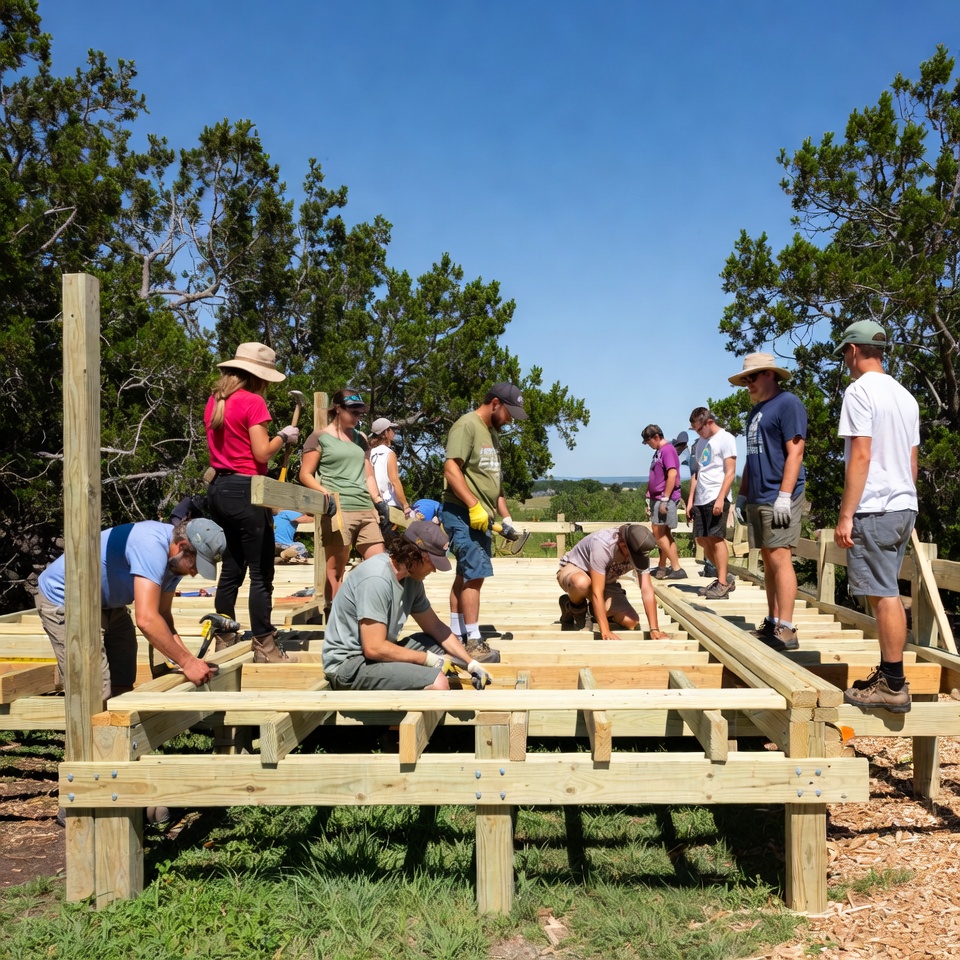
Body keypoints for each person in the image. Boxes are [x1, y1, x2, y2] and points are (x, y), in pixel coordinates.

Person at [35, 517, 226, 703]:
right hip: (66, 599)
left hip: (105, 602)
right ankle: (87, 731)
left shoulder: (175, 562)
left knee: (123, 675)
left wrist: (189, 661)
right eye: (196, 564)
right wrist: (187, 663)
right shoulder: (151, 546)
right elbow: (146, 620)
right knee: (92, 689)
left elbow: (163, 617)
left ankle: (118, 731)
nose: (195, 572)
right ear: (182, 546)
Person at [834, 320, 919, 714]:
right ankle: (891, 675)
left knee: (883, 595)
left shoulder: (859, 391)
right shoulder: (905, 396)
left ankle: (893, 684)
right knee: (888, 590)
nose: (846, 362)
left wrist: (846, 513)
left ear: (854, 350)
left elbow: (862, 455)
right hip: (903, 504)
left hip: (874, 506)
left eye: (845, 355)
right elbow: (911, 461)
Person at [204, 342, 300, 663]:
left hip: (219, 489)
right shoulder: (253, 401)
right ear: (258, 376)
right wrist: (284, 437)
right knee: (261, 573)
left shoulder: (215, 401)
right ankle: (265, 646)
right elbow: (261, 453)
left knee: (231, 567)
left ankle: (225, 638)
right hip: (247, 491)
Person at [322, 520, 493, 692]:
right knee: (438, 684)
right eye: (432, 562)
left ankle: (412, 678)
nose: (434, 569)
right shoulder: (376, 579)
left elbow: (436, 628)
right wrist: (427, 660)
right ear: (414, 554)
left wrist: (470, 663)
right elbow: (374, 648)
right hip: (350, 666)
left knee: (438, 644)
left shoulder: (412, 579)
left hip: (374, 656)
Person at [442, 382, 527, 661]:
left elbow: (494, 484)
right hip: (462, 513)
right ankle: (474, 641)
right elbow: (451, 468)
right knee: (475, 575)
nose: (511, 419)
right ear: (495, 403)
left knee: (465, 574)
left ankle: (455, 636)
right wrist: (474, 506)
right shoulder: (466, 426)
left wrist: (506, 517)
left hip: (480, 516)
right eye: (509, 412)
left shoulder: (492, 434)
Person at [729, 353, 808, 651]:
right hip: (759, 495)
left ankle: (787, 629)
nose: (747, 384)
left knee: (780, 557)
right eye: (745, 379)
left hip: (780, 493)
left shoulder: (789, 404)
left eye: (751, 377)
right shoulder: (756, 411)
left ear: (770, 375)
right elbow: (752, 457)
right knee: (768, 558)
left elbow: (796, 453)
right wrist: (742, 494)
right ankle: (773, 622)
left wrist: (785, 496)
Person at [299, 387, 387, 612]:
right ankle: (335, 615)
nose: (357, 417)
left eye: (360, 413)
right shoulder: (319, 437)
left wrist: (378, 501)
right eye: (353, 412)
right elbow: (305, 474)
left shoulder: (361, 439)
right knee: (335, 571)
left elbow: (368, 474)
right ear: (338, 410)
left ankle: (367, 614)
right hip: (339, 509)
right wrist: (323, 492)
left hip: (365, 508)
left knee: (379, 565)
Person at [557, 524, 668, 640]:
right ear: (622, 544)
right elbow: (596, 592)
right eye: (631, 555)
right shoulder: (603, 545)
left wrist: (654, 629)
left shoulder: (640, 549)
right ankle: (575, 608)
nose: (631, 559)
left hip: (605, 581)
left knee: (631, 621)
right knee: (581, 583)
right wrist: (605, 630)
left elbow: (647, 589)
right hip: (576, 570)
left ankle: (596, 611)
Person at [686, 407, 737, 599]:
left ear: (709, 422)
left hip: (717, 495)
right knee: (702, 539)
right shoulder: (700, 443)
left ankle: (723, 582)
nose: (698, 433)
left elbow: (730, 471)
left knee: (716, 539)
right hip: (701, 497)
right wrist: (690, 500)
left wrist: (721, 498)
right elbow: (697, 473)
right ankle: (724, 577)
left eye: (699, 429)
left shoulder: (726, 438)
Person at [641, 424, 686, 580]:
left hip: (664, 498)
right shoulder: (658, 452)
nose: (648, 445)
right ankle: (664, 566)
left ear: (656, 437)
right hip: (656, 498)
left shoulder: (668, 450)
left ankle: (676, 568)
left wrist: (665, 499)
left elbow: (672, 475)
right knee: (665, 534)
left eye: (649, 442)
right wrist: (648, 498)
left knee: (658, 534)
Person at [368, 416, 413, 536]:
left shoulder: (369, 453)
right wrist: (405, 506)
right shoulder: (389, 453)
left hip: (373, 503)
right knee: (391, 544)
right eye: (391, 430)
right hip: (390, 505)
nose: (394, 432)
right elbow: (394, 481)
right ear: (385, 433)